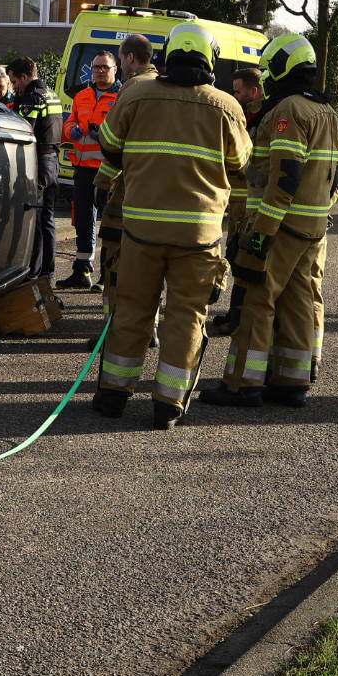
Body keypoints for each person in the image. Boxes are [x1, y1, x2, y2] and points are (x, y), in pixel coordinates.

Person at [93, 23, 251, 431]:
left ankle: (112, 395)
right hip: (198, 237)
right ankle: (168, 405)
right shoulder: (226, 106)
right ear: (209, 60)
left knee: (132, 310)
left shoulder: (138, 94)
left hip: (141, 230)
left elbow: (109, 141)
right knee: (186, 317)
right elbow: (242, 163)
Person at [202, 33, 338, 411]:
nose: (265, 78)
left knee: (256, 298)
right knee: (298, 300)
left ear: (283, 67)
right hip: (311, 229)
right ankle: (291, 382)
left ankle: (241, 384)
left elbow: (285, 176)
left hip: (279, 227)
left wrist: (262, 232)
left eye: (269, 69)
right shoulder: (326, 110)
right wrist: (318, 210)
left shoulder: (288, 111)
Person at [94, 35, 158, 325]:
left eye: (121, 58)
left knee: (115, 261)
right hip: (154, 192)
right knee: (151, 267)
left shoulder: (132, 88)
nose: (120, 64)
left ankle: (113, 328)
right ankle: (150, 326)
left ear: (130, 59)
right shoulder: (163, 86)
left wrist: (102, 184)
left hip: (126, 192)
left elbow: (112, 144)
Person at [57, 51, 121, 291]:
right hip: (83, 168)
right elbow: (70, 121)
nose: (100, 71)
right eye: (96, 67)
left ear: (115, 70)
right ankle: (82, 271)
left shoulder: (121, 96)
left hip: (109, 170)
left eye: (105, 67)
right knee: (83, 221)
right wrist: (71, 129)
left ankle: (108, 275)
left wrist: (101, 134)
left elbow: (121, 130)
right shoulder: (82, 96)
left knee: (111, 224)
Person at [207, 67, 263, 337]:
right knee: (235, 256)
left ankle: (238, 318)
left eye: (238, 91)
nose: (234, 95)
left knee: (242, 261)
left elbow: (248, 160)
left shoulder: (259, 117)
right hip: (239, 201)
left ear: (253, 91)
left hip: (249, 201)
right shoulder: (247, 114)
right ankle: (233, 313)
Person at [9, 57, 62, 281]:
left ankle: (35, 271)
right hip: (53, 161)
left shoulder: (32, 97)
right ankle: (48, 270)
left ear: (24, 76)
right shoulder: (52, 94)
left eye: (14, 81)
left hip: (38, 161)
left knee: (37, 220)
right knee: (47, 219)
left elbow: (24, 131)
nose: (14, 87)